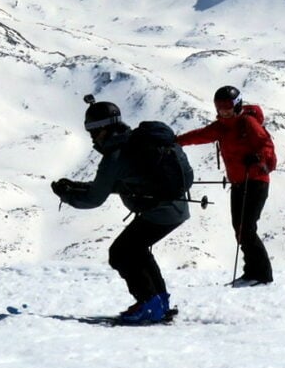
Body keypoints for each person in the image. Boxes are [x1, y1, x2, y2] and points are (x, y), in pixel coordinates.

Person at [51, 95, 193, 323]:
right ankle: (159, 302)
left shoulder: (115, 155)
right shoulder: (134, 143)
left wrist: (65, 194)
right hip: (175, 207)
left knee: (120, 253)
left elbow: (94, 199)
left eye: (92, 131)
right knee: (137, 250)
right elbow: (120, 184)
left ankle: (150, 305)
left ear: (103, 129)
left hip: (160, 211)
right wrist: (77, 186)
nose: (92, 137)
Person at [177, 85, 276, 286]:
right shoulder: (221, 127)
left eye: (228, 106)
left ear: (237, 104)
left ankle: (261, 275)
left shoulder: (247, 122)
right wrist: (174, 141)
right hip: (238, 183)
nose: (224, 110)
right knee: (239, 228)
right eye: (220, 106)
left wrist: (258, 158)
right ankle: (251, 273)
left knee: (247, 228)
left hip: (256, 180)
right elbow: (199, 135)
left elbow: (266, 145)